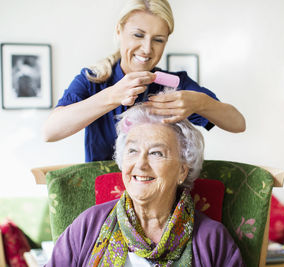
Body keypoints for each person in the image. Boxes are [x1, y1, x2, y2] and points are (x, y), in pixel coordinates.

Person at [42, 0, 246, 162]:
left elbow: (238, 123)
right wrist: (112, 96)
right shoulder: (93, 80)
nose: (147, 49)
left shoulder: (174, 84)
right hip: (105, 195)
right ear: (119, 31)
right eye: (138, 35)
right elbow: (50, 132)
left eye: (158, 40)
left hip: (159, 197)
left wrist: (199, 102)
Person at [45, 105, 245, 266]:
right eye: (132, 151)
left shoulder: (212, 239)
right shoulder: (89, 225)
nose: (140, 164)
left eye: (156, 153)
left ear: (183, 171)